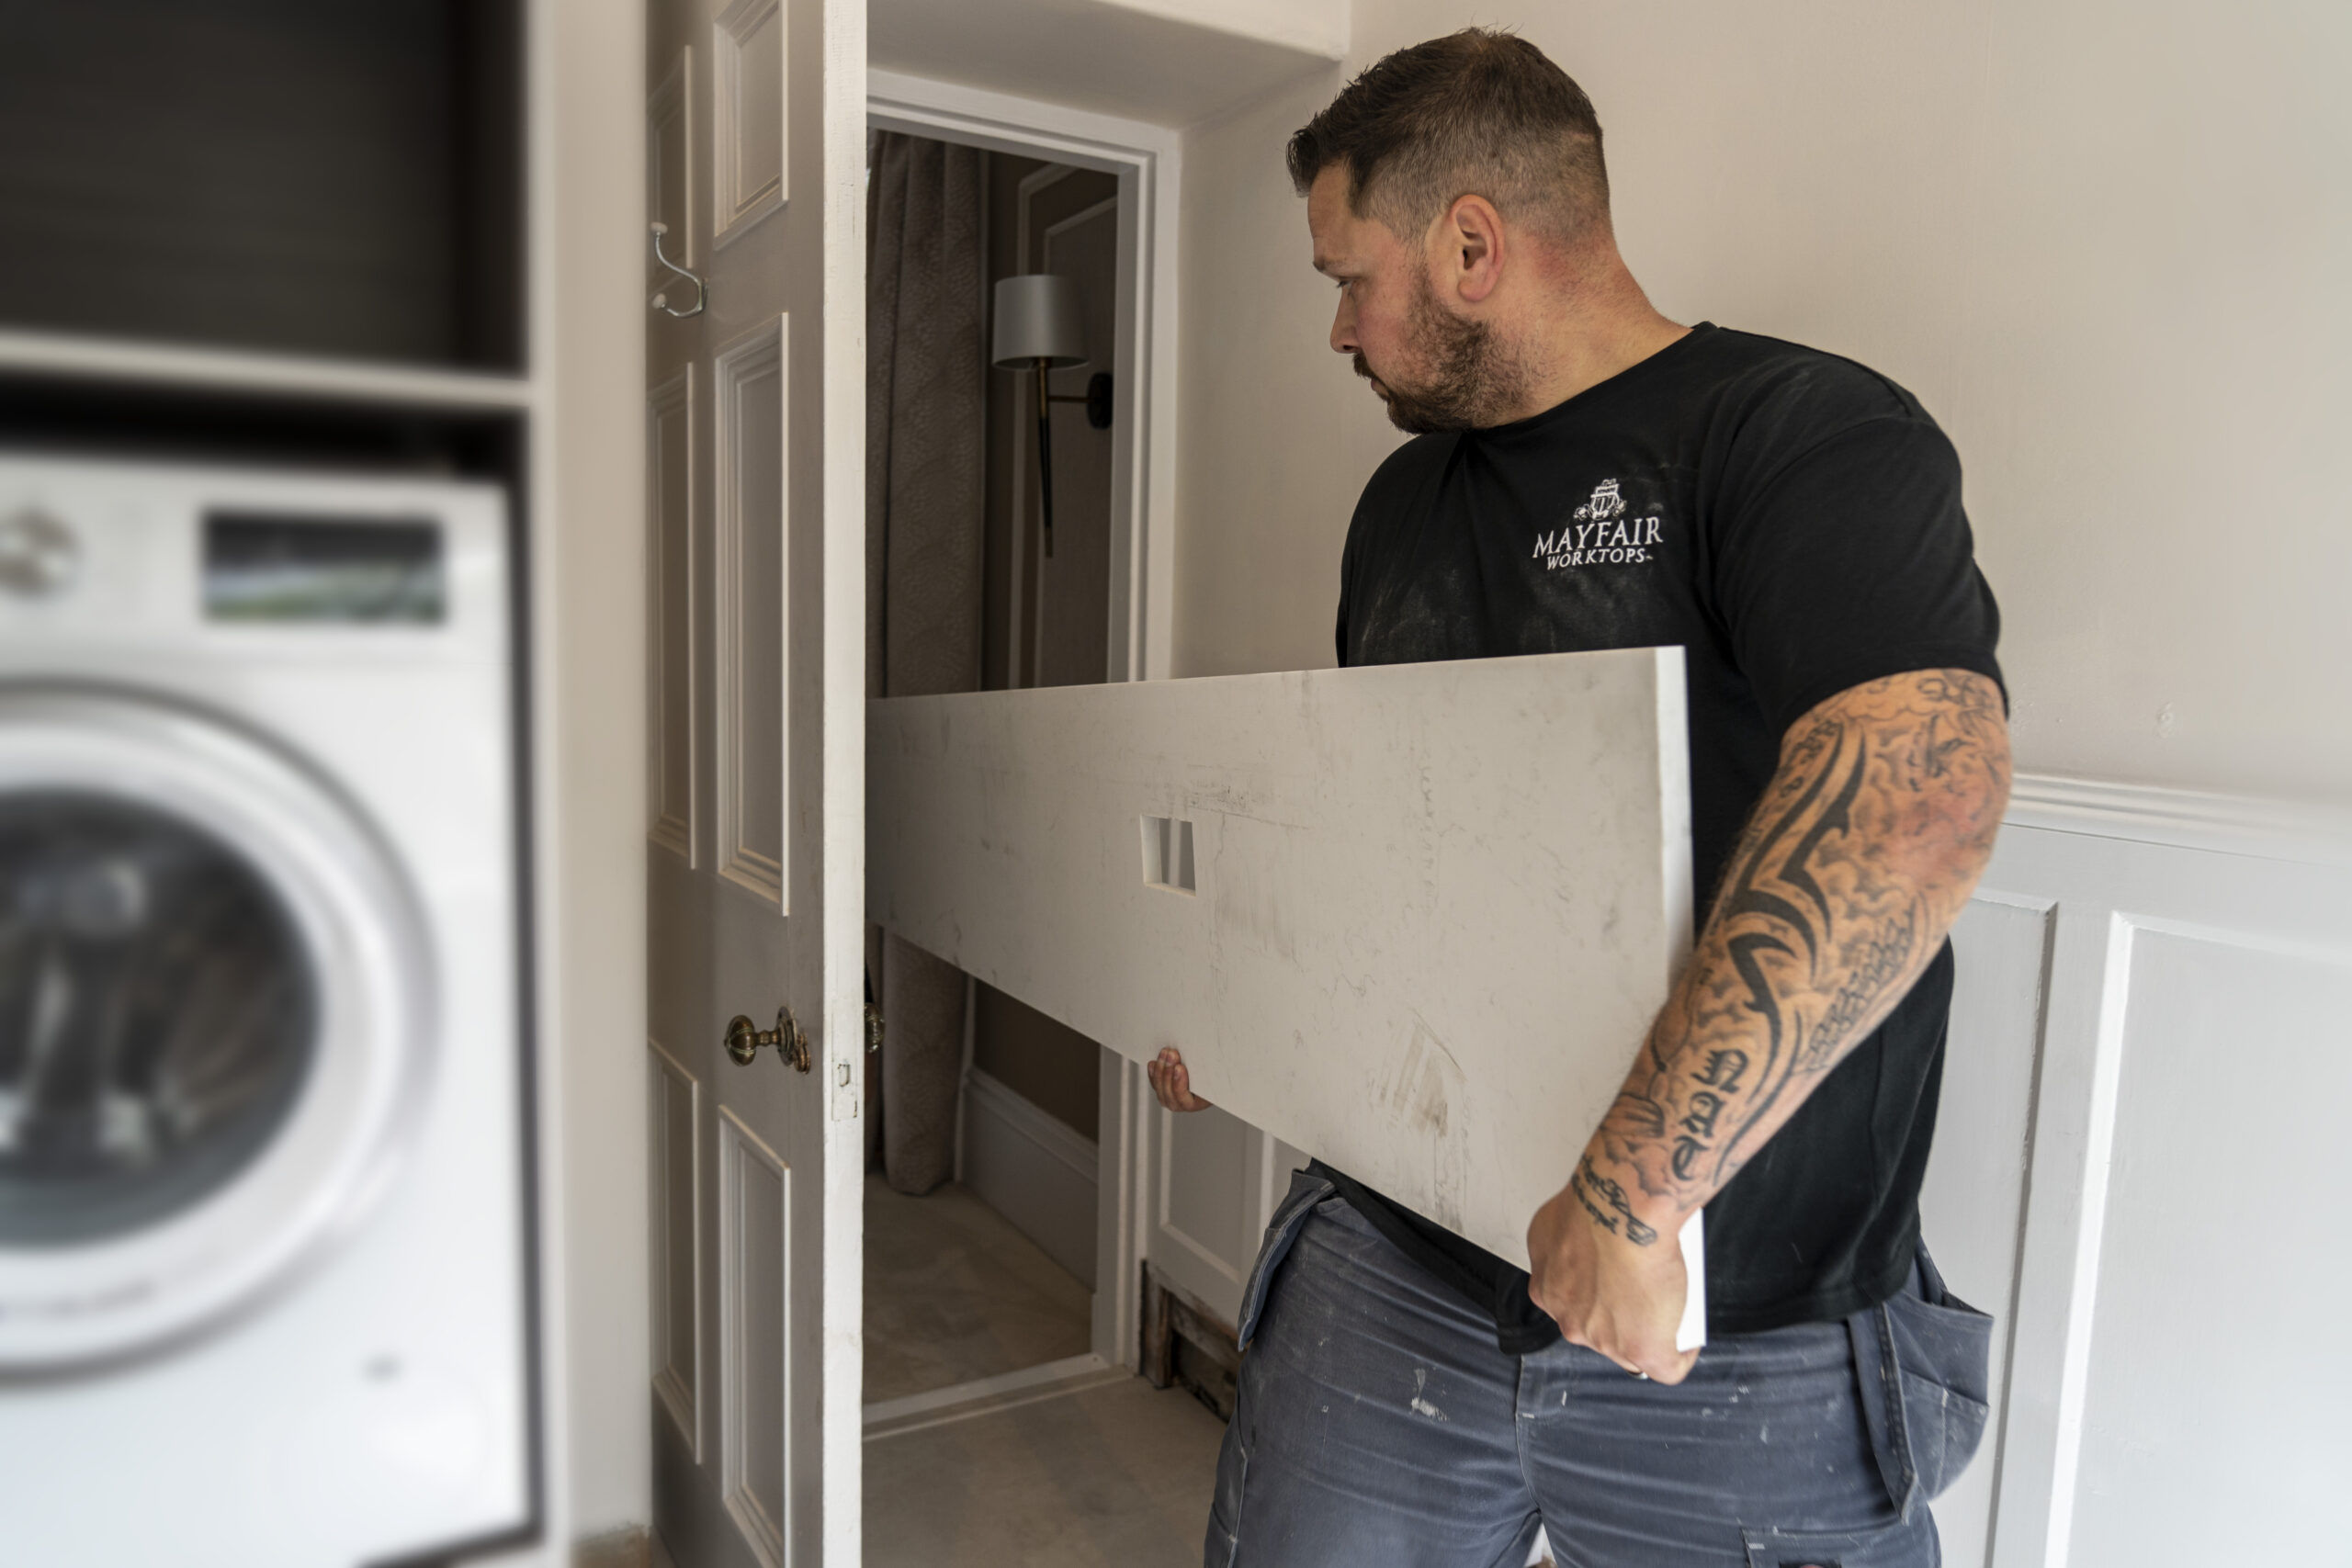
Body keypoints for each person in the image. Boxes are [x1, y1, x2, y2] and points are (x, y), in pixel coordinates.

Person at [1148, 29, 2011, 1568]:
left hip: (1741, 1330)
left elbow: (1914, 806)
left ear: (1471, 244)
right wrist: (1251, 997)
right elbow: (1394, 838)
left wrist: (1630, 1196)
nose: (1338, 330)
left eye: (1351, 278)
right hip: (1396, 1264)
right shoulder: (1400, 509)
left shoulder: (1798, 434)